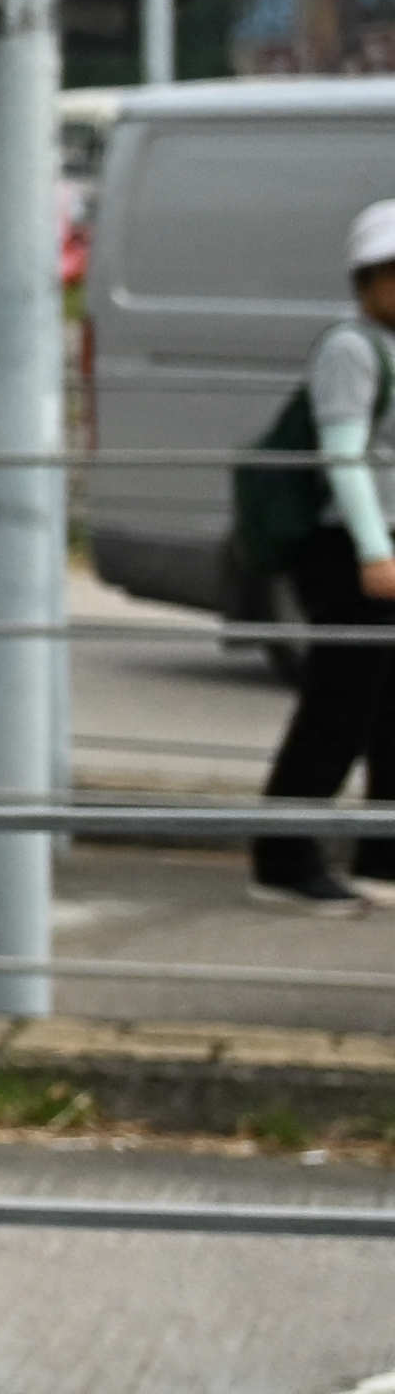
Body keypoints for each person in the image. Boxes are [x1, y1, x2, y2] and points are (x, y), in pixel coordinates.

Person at [249, 200, 395, 907]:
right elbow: (344, 458)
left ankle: (383, 855)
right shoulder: (351, 347)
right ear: (365, 282)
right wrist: (375, 551)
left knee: (390, 708)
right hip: (351, 551)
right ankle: (281, 860)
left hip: (383, 550)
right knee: (338, 705)